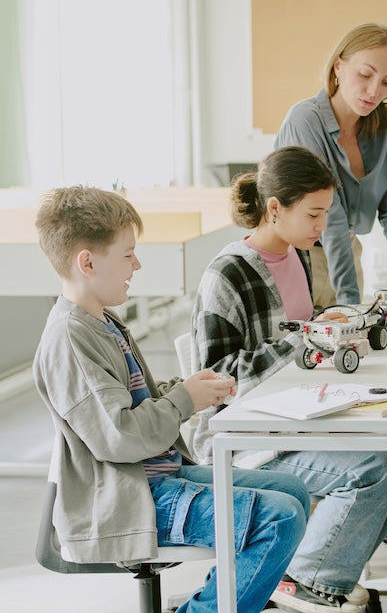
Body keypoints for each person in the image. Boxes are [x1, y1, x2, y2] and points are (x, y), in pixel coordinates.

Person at [31, 186, 310, 613]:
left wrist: (185, 388)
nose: (136, 264)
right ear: (86, 262)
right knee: (280, 518)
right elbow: (120, 437)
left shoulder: (101, 320)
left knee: (292, 492)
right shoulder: (70, 339)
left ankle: (224, 602)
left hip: (156, 478)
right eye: (127, 255)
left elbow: (128, 406)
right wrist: (183, 400)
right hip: (131, 498)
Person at [190, 146, 387, 613]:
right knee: (372, 471)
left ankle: (312, 568)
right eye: (314, 214)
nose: (323, 227)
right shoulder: (228, 272)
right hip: (245, 438)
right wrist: (305, 341)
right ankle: (306, 579)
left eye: (326, 213)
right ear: (274, 208)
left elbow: (299, 329)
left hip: (297, 416)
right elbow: (216, 380)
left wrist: (329, 322)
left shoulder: (298, 256)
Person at [275, 22, 387, 307]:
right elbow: (332, 218)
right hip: (299, 255)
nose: (374, 91)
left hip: (348, 252)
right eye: (365, 74)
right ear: (338, 67)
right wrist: (350, 303)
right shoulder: (305, 120)